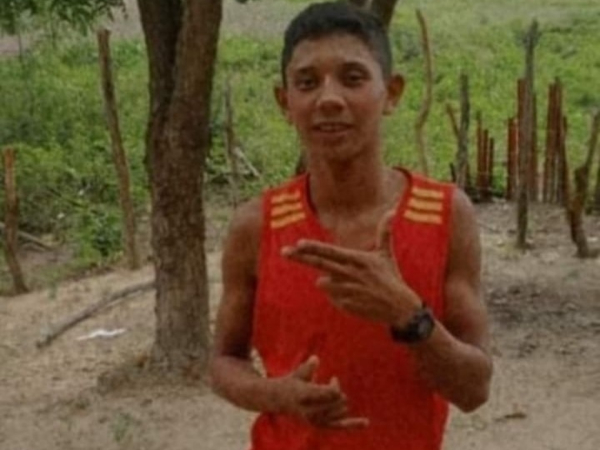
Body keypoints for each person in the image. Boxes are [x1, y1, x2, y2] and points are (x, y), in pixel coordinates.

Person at [209, 2, 492, 449]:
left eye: (353, 78)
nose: (329, 99)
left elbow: (474, 390)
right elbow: (224, 360)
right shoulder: (256, 226)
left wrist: (409, 315)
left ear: (392, 93)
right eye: (307, 83)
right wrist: (277, 395)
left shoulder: (445, 215)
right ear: (285, 102)